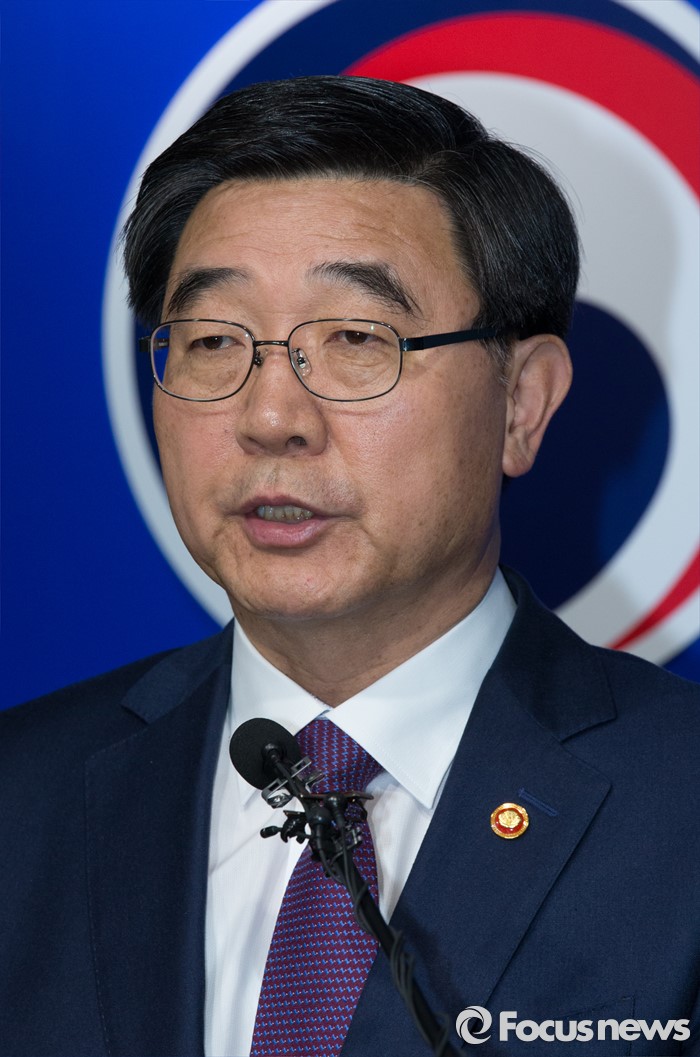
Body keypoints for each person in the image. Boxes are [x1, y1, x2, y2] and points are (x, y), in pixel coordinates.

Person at [1, 76, 698, 1057]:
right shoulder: (22, 801)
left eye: (357, 340)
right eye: (212, 341)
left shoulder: (678, 805)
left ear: (521, 404)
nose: (270, 417)